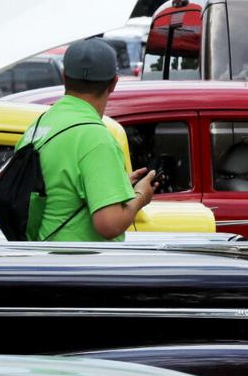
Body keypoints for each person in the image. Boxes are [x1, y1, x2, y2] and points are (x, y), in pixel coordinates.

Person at [19, 38, 154, 241]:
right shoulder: (95, 137)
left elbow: (61, 195)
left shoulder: (37, 127)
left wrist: (118, 186)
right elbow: (109, 223)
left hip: (41, 257)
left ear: (64, 76)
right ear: (114, 83)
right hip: (78, 265)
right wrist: (141, 196)